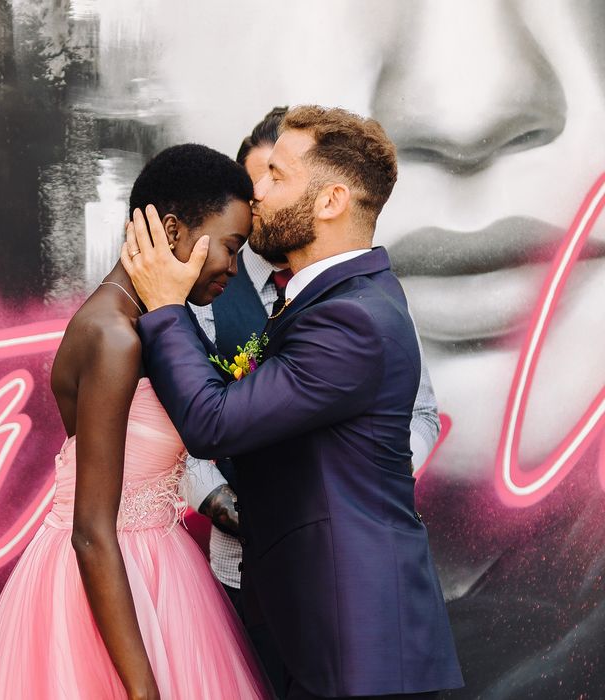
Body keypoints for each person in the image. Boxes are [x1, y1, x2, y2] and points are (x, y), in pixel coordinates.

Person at [123, 106, 464, 699]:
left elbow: (213, 422)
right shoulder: (337, 300)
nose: (255, 192)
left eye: (276, 175)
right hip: (329, 637)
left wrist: (164, 308)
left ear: (330, 201)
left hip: (359, 651)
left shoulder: (350, 319)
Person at [0, 144, 272, 700]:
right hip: (108, 577)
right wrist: (142, 690)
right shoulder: (113, 337)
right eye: (231, 246)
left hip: (157, 571)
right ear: (172, 229)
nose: (233, 267)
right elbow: (91, 530)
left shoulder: (145, 323)